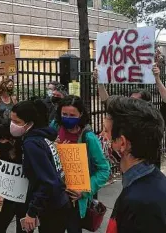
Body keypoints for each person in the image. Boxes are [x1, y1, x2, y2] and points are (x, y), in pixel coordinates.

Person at [104, 96, 166, 233]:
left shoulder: (139, 204)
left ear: (122, 143)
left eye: (106, 131)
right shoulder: (151, 182)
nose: (102, 136)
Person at [10, 99, 71, 233]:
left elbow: (47, 182)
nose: (12, 125)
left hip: (51, 206)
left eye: (17, 122)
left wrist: (32, 212)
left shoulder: (31, 144)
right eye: (11, 121)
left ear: (29, 123)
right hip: (56, 202)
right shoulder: (42, 137)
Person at [56, 96, 110, 233]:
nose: (67, 118)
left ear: (80, 115)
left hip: (74, 199)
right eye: (64, 114)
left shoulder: (88, 137)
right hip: (53, 196)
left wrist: (85, 190)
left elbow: (104, 170)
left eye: (72, 115)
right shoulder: (54, 128)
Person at [0, 123, 25, 233]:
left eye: (2, 139)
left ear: (12, 140)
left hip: (23, 199)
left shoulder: (25, 153)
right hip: (4, 199)